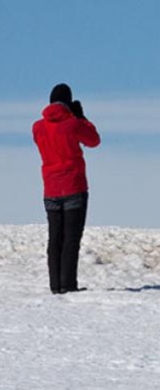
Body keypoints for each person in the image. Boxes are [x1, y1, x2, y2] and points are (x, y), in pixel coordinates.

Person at [32, 83, 101, 294]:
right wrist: (81, 118)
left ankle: (55, 286)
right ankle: (68, 285)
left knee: (55, 239)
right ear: (69, 102)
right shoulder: (72, 124)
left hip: (50, 189)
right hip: (73, 186)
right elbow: (94, 140)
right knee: (71, 239)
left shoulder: (37, 127)